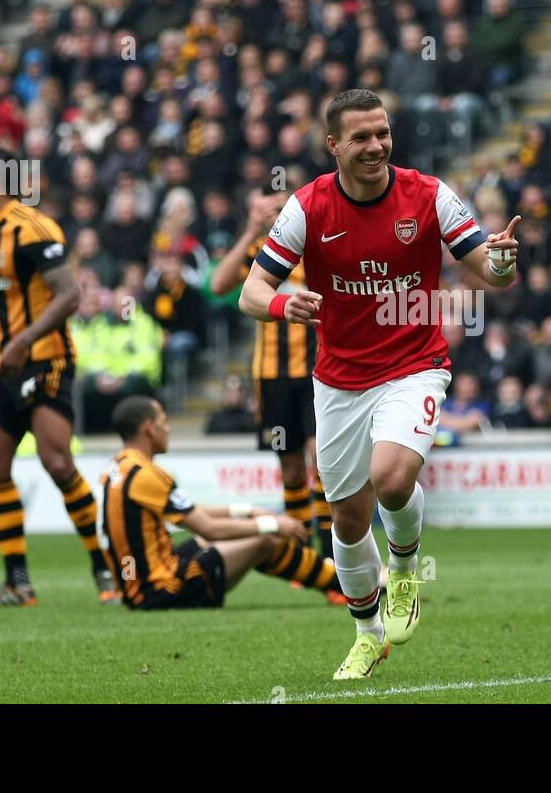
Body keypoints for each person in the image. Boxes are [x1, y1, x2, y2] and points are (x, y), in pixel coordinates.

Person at [238, 89, 521, 679]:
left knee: (391, 479)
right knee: (345, 516)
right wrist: (282, 305)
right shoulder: (307, 208)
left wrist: (503, 260)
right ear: (333, 145)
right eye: (361, 137)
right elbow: (250, 292)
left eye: (383, 133)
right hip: (339, 379)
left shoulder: (428, 194)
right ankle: (368, 634)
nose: (376, 146)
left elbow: (490, 274)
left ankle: (407, 567)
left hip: (415, 363)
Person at [0, 148, 120, 608]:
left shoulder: (33, 228)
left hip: (46, 361)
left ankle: (104, 567)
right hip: (2, 365)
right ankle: (18, 583)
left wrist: (25, 340)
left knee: (57, 463)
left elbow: (69, 295)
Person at [102, 396, 342, 610]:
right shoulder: (147, 474)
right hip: (163, 591)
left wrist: (248, 511)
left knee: (218, 539)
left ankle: (332, 578)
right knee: (266, 540)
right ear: (149, 428)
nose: (169, 428)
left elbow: (193, 511)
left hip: (138, 586)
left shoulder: (120, 466)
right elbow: (209, 527)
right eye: (164, 421)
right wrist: (272, 524)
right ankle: (340, 584)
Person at [210, 186, 338, 586]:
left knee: (323, 461)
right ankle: (302, 558)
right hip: (271, 377)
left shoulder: (314, 248)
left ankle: (332, 554)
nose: (276, 214)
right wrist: (250, 230)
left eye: (282, 207)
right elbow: (218, 285)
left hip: (318, 372)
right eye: (267, 208)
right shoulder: (259, 256)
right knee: (291, 467)